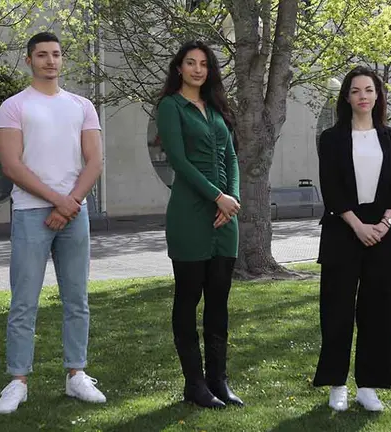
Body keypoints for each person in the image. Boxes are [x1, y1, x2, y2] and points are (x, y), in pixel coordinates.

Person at [0, 31, 106, 414]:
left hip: (74, 213)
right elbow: (12, 166)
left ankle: (76, 375)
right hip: (30, 213)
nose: (50, 61)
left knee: (77, 299)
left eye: (56, 54)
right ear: (29, 60)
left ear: (62, 59)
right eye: (42, 55)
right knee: (24, 302)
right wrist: (60, 201)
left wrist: (70, 203)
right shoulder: (13, 107)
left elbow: (94, 162)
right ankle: (17, 381)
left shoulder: (82, 106)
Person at [314, 66, 391, 412]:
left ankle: (369, 386)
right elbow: (332, 188)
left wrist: (383, 224)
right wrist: (357, 225)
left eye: (369, 90)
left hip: (382, 232)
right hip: (343, 231)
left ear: (378, 95)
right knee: (337, 310)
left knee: (378, 313)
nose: (363, 96)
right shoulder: (332, 138)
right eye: (355, 91)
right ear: (346, 97)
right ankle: (337, 383)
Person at [156, 41, 243, 409]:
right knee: (189, 299)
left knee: (219, 303)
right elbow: (179, 160)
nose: (197, 69)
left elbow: (232, 156)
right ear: (179, 68)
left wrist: (232, 199)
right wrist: (216, 197)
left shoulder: (217, 108)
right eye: (190, 63)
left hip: (225, 218)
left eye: (203, 64)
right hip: (191, 214)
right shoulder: (170, 106)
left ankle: (218, 381)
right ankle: (194, 385)